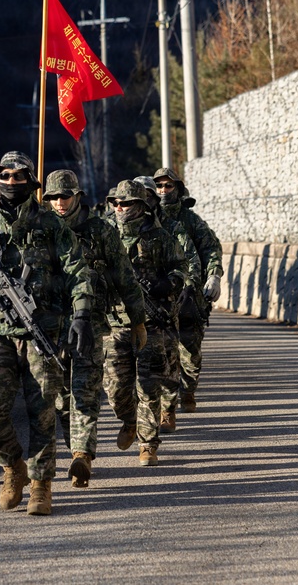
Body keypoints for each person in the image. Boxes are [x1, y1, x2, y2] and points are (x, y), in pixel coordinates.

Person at [0, 151, 95, 516]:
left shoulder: (52, 226)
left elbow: (77, 271)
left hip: (42, 330)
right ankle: (13, 468)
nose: (11, 182)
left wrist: (80, 314)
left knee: (43, 412)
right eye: (5, 176)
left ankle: (42, 484)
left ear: (31, 182)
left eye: (19, 177)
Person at [42, 170, 146, 488]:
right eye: (53, 197)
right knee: (60, 398)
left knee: (85, 392)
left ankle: (81, 456)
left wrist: (137, 319)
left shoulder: (100, 231)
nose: (60, 203)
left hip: (92, 324)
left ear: (77, 196)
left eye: (65, 196)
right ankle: (76, 443)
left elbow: (124, 277)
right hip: (50, 328)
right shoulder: (39, 230)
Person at [105, 180, 187, 466]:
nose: (119, 208)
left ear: (140, 205)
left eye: (125, 203)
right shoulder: (105, 235)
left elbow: (181, 268)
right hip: (115, 321)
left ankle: (148, 443)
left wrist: (167, 283)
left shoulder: (159, 237)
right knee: (115, 388)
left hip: (152, 322)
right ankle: (129, 420)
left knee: (149, 385)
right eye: (115, 203)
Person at [134, 175, 201, 433]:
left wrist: (182, 284)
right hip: (128, 312)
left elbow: (190, 261)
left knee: (169, 362)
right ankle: (140, 418)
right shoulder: (117, 226)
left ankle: (167, 409)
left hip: (165, 307)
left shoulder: (172, 228)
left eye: (149, 196)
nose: (146, 201)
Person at [154, 167, 224, 413]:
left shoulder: (191, 221)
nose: (163, 191)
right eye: (159, 186)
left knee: (190, 351)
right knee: (164, 352)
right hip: (161, 296)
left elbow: (211, 249)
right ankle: (166, 406)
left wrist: (213, 275)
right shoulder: (150, 218)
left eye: (168, 186)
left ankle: (189, 390)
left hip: (191, 296)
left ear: (178, 188)